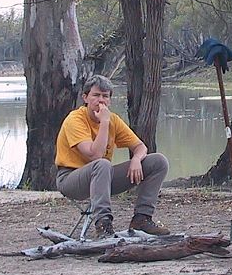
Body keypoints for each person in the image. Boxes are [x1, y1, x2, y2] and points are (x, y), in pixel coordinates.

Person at [55, 75, 171, 238]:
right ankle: (103, 225)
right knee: (102, 164)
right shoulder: (75, 119)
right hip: (71, 179)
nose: (100, 101)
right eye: (96, 95)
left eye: (105, 96)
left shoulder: (113, 120)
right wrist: (103, 123)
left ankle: (142, 219)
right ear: (85, 98)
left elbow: (140, 146)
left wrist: (136, 159)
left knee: (158, 162)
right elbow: (94, 155)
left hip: (103, 176)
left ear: (110, 100)